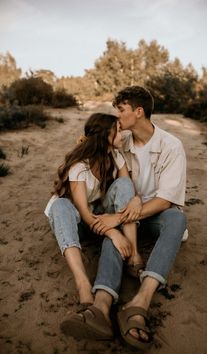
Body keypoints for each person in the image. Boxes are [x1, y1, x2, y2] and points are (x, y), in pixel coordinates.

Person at [61, 87, 187, 350]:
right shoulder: (120, 140)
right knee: (114, 222)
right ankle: (102, 304)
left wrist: (116, 218)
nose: (117, 116)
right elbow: (94, 150)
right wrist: (84, 142)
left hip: (152, 215)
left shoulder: (171, 146)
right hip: (118, 213)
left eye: (121, 110)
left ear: (138, 112)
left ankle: (140, 301)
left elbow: (165, 200)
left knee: (176, 218)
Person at [44, 113, 143, 315]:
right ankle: (82, 284)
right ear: (106, 135)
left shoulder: (116, 156)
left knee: (124, 183)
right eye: (118, 130)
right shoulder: (80, 166)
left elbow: (127, 187)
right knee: (60, 205)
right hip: (77, 222)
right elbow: (83, 212)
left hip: (100, 214)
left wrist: (136, 199)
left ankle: (133, 253)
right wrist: (113, 233)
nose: (122, 134)